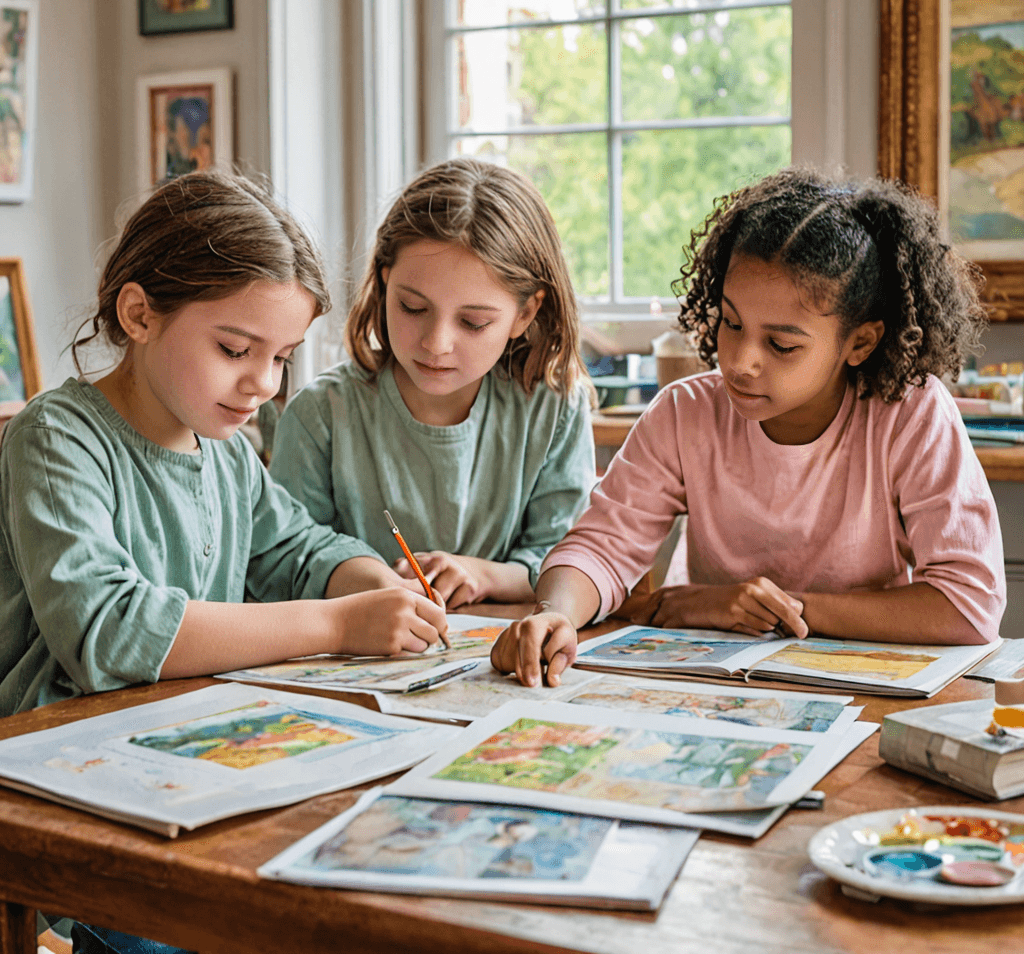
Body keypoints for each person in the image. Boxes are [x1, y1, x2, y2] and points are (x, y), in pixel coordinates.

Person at [492, 167, 1006, 687]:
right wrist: (553, 612)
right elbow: (600, 546)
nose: (739, 361)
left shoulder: (909, 413)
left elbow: (968, 604)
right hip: (712, 687)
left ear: (861, 343)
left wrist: (772, 608)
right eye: (731, 322)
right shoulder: (685, 413)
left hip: (864, 689)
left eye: (782, 345)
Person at [0, 170, 448, 721]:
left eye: (282, 357)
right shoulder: (55, 440)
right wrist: (339, 624)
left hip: (185, 732)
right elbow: (109, 631)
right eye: (235, 349)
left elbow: (298, 552)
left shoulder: (228, 452)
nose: (265, 383)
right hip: (50, 754)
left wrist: (375, 582)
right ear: (139, 314)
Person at [269, 157, 595, 609]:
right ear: (385, 282)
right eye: (412, 308)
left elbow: (567, 560)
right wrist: (364, 581)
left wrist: (484, 575)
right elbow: (282, 565)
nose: (437, 344)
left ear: (525, 313)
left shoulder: (554, 408)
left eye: (474, 322)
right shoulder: (319, 414)